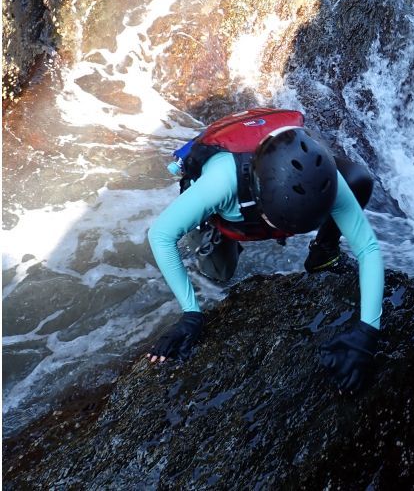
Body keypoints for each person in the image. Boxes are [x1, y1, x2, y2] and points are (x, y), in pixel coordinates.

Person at [146, 108, 383, 392]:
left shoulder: (325, 177)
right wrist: (191, 313)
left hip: (270, 182)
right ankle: (220, 232)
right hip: (226, 209)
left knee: (359, 178)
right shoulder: (220, 184)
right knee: (219, 272)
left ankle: (323, 253)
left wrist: (368, 332)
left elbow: (367, 247)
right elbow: (160, 235)